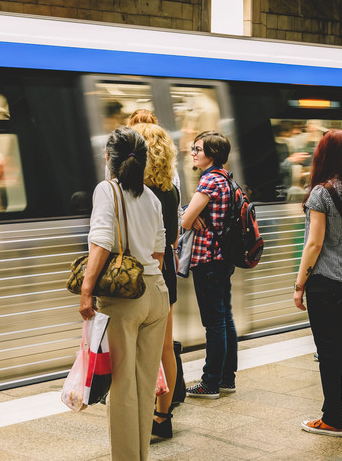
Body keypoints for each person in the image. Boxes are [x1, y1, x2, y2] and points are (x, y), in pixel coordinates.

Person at [79, 127, 168, 461]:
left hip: (125, 302)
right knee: (145, 385)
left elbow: (101, 240)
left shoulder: (107, 190)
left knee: (123, 389)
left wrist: (86, 291)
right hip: (156, 294)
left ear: (108, 159)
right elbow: (159, 252)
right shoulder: (152, 197)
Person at [293, 130, 342, 437]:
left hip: (325, 283)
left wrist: (300, 285)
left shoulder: (320, 193)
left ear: (322, 156)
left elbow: (313, 244)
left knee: (328, 351)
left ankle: (332, 418)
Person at [129, 122, 180, 440]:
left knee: (136, 348)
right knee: (164, 348)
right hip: (166, 274)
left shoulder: (133, 191)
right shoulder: (171, 191)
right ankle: (163, 417)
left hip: (138, 275)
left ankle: (140, 411)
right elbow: (172, 237)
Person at [181, 130, 238, 397]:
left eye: (198, 149)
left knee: (214, 323)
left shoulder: (209, 182)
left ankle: (210, 382)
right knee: (225, 318)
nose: (193, 152)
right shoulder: (227, 179)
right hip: (223, 257)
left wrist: (189, 215)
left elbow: (184, 220)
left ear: (212, 155)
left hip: (207, 259)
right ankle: (227, 377)